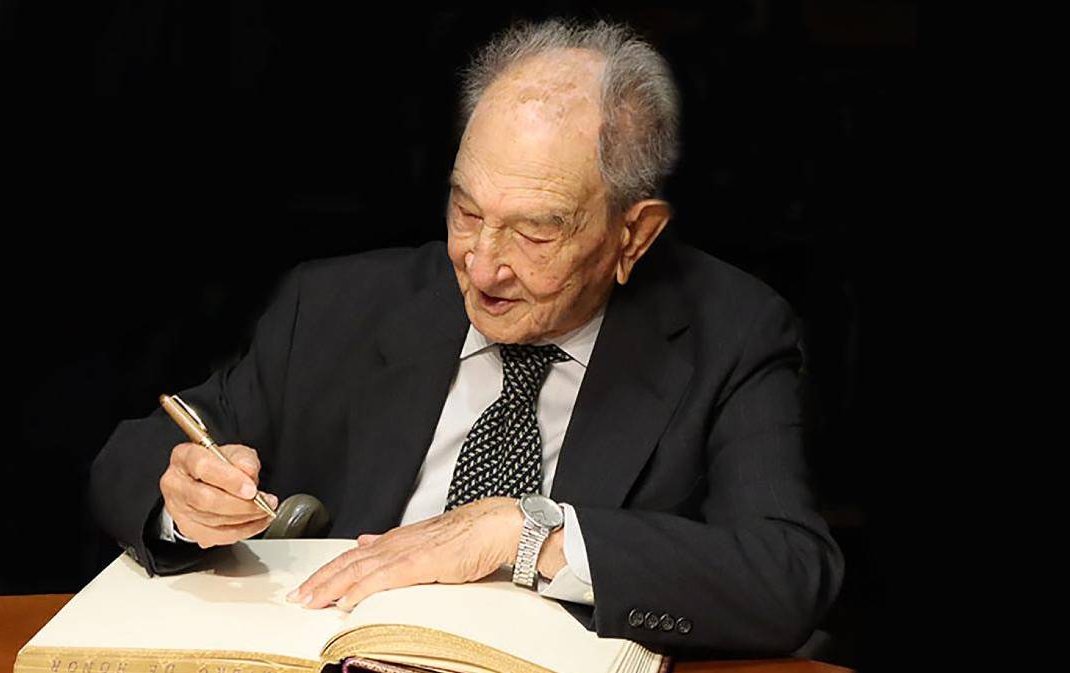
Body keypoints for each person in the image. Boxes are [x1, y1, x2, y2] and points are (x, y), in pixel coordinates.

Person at [89, 18, 843, 656]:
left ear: (633, 236)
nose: (482, 267)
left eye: (536, 232)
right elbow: (136, 455)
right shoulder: (337, 305)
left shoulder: (729, 332)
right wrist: (185, 501)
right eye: (467, 211)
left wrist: (528, 532)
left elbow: (787, 572)